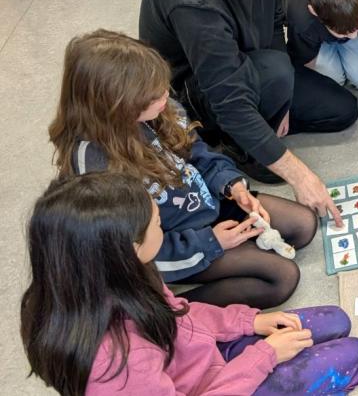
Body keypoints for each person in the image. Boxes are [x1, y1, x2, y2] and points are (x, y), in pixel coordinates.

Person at [20, 172, 358, 396]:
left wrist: (249, 322)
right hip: (209, 387)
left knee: (336, 319)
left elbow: (181, 315)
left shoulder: (123, 273)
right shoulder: (121, 364)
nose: (162, 225)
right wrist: (264, 356)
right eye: (157, 224)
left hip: (204, 362)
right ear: (129, 247)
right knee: (354, 354)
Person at [48, 30, 317, 309]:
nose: (165, 94)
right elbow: (136, 252)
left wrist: (232, 186)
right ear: (118, 105)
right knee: (281, 277)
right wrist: (211, 243)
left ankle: (231, 254)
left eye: (161, 86)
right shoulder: (96, 168)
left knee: (303, 225)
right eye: (152, 95)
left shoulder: (161, 107)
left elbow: (199, 153)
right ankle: (167, 311)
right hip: (171, 243)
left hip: (206, 206)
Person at [139, 0, 346, 226]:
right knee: (275, 75)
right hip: (202, 96)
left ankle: (263, 120)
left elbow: (274, 16)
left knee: (340, 110)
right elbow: (229, 100)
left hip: (257, 65)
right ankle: (237, 146)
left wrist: (283, 99)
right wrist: (300, 175)